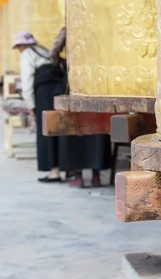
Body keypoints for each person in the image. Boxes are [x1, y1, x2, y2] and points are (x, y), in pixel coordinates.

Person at [49, 27, 112, 188]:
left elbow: (53, 52)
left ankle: (77, 174)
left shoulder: (69, 28)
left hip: (76, 82)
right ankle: (96, 174)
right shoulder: (100, 28)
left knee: (74, 127)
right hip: (98, 81)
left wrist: (61, 64)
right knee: (98, 127)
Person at [12, 31, 62, 183]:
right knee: (58, 128)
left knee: (46, 130)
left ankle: (54, 171)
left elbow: (26, 81)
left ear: (21, 46)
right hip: (57, 89)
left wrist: (30, 105)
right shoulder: (43, 50)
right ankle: (63, 167)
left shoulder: (27, 54)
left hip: (43, 93)